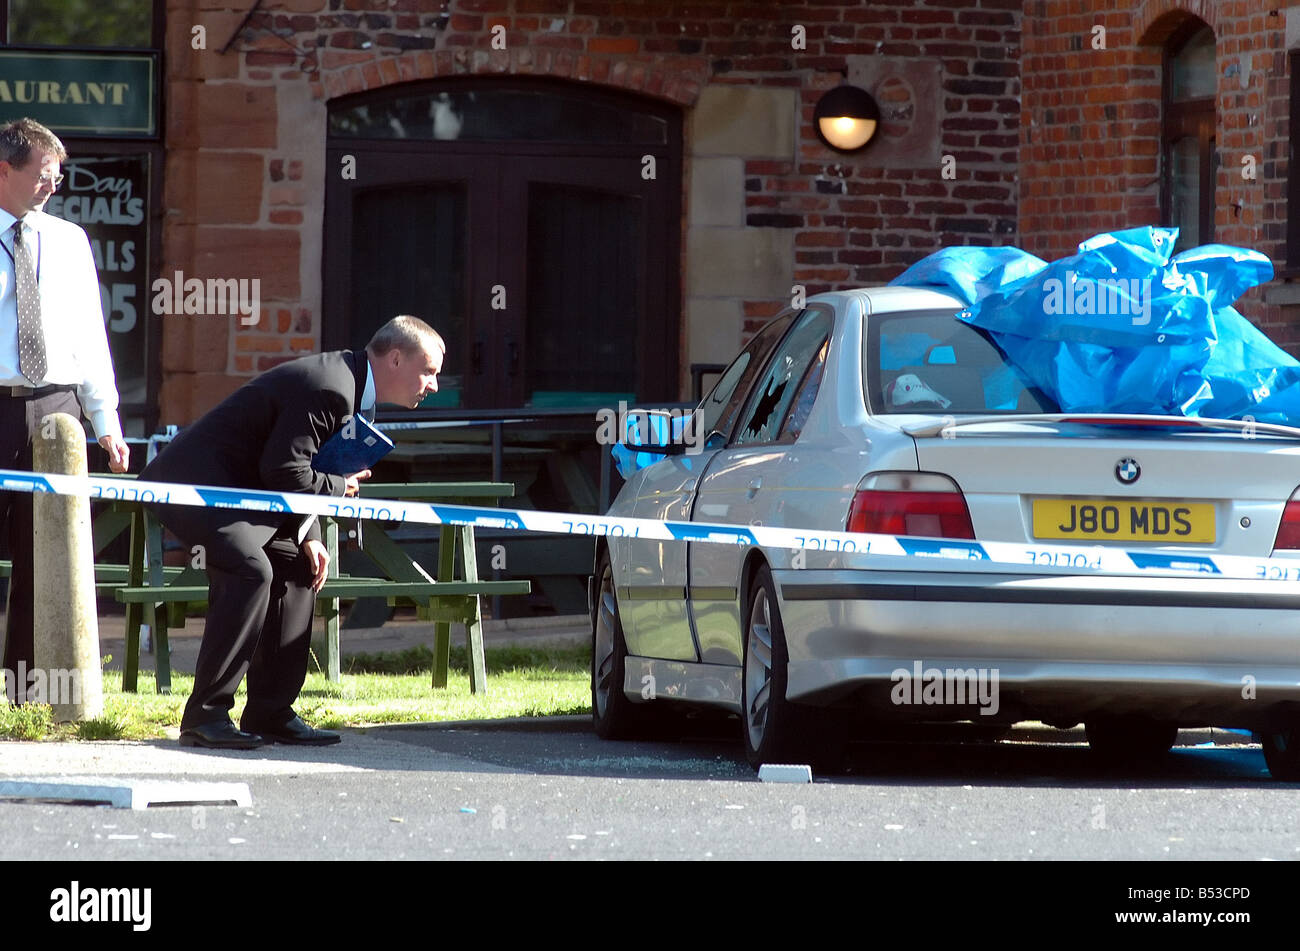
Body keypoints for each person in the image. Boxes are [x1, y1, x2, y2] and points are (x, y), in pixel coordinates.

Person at [142, 316, 445, 749]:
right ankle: (204, 717)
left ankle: (270, 713)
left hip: (245, 495)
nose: (434, 384)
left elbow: (307, 462)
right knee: (251, 571)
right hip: (193, 488)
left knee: (300, 570)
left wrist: (310, 535)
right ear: (396, 358)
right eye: (429, 371)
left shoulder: (353, 386)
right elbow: (284, 469)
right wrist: (342, 489)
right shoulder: (333, 388)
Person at [0, 118, 129, 703]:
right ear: (5, 170)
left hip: (57, 407)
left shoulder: (70, 240)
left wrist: (107, 422)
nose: (54, 185)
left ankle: (28, 691)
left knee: (44, 549)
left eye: (58, 175)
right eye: (43, 175)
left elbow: (90, 335)